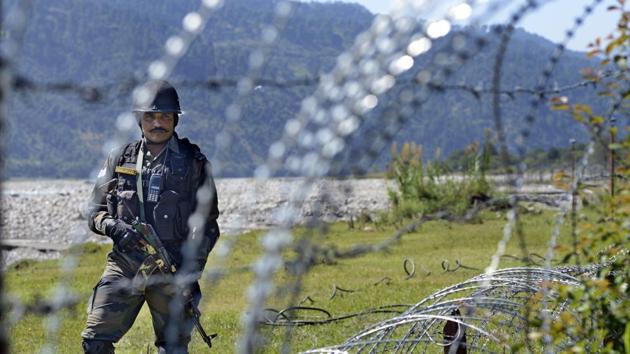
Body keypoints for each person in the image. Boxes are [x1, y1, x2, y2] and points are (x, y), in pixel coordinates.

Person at [81, 80, 220, 354]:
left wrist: (191, 268)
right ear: (139, 119)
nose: (158, 123)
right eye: (150, 116)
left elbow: (208, 226)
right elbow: (93, 211)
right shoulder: (120, 158)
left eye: (165, 116)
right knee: (94, 342)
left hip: (172, 267)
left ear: (175, 120)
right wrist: (113, 227)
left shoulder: (194, 162)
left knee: (173, 348)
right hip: (125, 264)